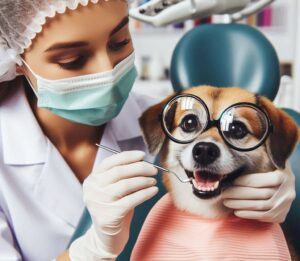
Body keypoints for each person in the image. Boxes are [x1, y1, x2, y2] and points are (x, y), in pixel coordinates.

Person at [0, 0, 296, 260]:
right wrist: (90, 251)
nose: (106, 69)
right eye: (71, 60)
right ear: (18, 61)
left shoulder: (171, 122)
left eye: (119, 42)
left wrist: (276, 174)